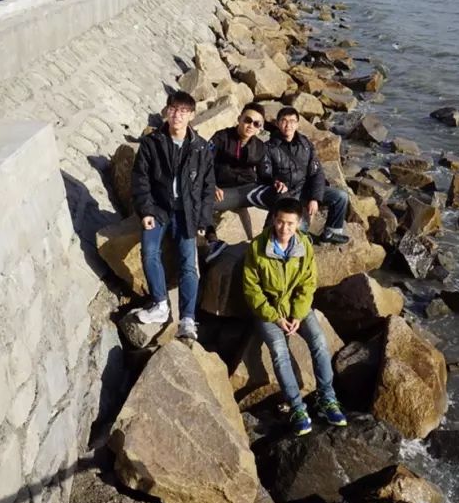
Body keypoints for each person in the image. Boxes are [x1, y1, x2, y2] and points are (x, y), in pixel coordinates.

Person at [242, 197, 348, 436]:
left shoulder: (304, 246)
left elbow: (308, 283)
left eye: (290, 224)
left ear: (299, 223)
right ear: (273, 219)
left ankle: (327, 398)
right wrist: (275, 317)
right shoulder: (257, 247)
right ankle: (297, 407)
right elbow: (251, 290)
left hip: (297, 308)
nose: (284, 228)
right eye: (280, 222)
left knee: (319, 342)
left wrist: (298, 314)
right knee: (279, 351)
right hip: (268, 310)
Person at [130, 91, 216, 341]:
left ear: (191, 115)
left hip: (187, 212)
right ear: (166, 111)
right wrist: (145, 210)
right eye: (173, 109)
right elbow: (140, 179)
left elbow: (208, 187)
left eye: (183, 111)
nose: (177, 115)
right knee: (149, 252)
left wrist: (203, 219)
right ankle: (160, 304)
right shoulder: (152, 143)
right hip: (158, 208)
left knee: (189, 265)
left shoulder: (200, 147)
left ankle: (187, 319)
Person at [263, 107, 350, 244]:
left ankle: (331, 232)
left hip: (306, 189)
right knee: (301, 228)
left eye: (292, 121)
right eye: (284, 121)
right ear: (278, 123)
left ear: (297, 124)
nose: (288, 125)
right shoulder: (269, 147)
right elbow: (264, 172)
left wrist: (315, 198)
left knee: (341, 197)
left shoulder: (305, 144)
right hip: (287, 194)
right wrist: (275, 181)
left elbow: (317, 173)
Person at [203, 103, 276, 262]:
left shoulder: (260, 147)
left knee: (282, 197)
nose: (251, 126)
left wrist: (276, 183)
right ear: (239, 119)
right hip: (222, 191)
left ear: (260, 128)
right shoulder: (221, 138)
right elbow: (204, 164)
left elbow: (265, 175)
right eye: (248, 120)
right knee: (201, 198)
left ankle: (267, 240)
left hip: (246, 190)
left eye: (256, 124)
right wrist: (212, 185)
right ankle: (212, 241)